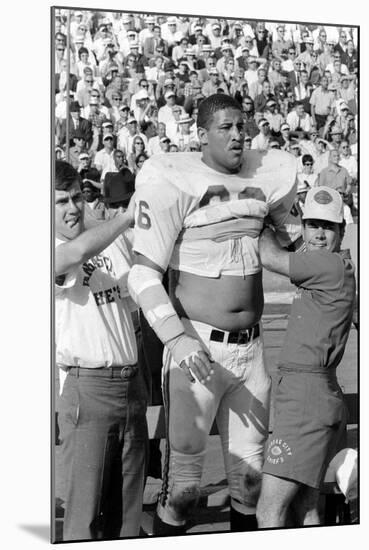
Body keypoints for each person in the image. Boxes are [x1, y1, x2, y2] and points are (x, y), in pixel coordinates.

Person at [127, 93, 301, 535]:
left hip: (253, 350)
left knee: (250, 484)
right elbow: (142, 276)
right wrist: (177, 339)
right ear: (201, 135)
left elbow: (293, 247)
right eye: (225, 127)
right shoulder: (172, 180)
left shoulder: (271, 176)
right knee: (183, 490)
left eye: (242, 126)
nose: (238, 135)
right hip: (198, 350)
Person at [55, 160, 148, 541]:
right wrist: (128, 217)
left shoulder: (101, 241)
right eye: (61, 200)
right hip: (88, 388)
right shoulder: (51, 249)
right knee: (84, 519)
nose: (73, 207)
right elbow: (74, 254)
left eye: (78, 197)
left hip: (130, 385)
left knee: (127, 516)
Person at [256, 186, 356, 528]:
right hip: (314, 392)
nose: (319, 234)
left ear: (342, 230)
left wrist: (263, 218)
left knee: (268, 511)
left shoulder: (326, 264)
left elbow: (268, 256)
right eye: (313, 224)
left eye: (327, 227)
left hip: (304, 397)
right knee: (305, 507)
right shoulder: (337, 264)